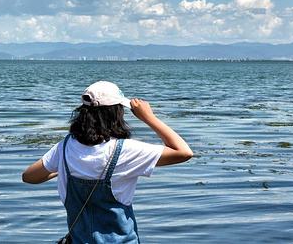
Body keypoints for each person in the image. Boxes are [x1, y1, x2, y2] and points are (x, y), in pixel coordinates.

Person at [22, 81, 193, 243]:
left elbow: (29, 177)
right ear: (116, 113)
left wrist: (65, 167)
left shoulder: (65, 147)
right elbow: (184, 152)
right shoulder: (126, 150)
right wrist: (149, 117)